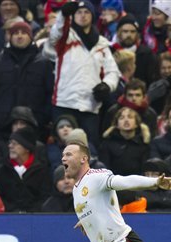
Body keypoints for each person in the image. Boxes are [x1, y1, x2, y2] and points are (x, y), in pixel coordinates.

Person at [48, 0, 120, 147]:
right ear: (73, 16)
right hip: (64, 103)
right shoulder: (65, 38)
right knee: (64, 149)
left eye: (86, 12)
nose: (82, 15)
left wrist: (106, 85)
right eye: (78, 12)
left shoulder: (102, 44)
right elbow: (56, 33)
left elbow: (112, 71)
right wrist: (63, 15)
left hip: (90, 106)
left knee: (89, 150)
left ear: (93, 16)